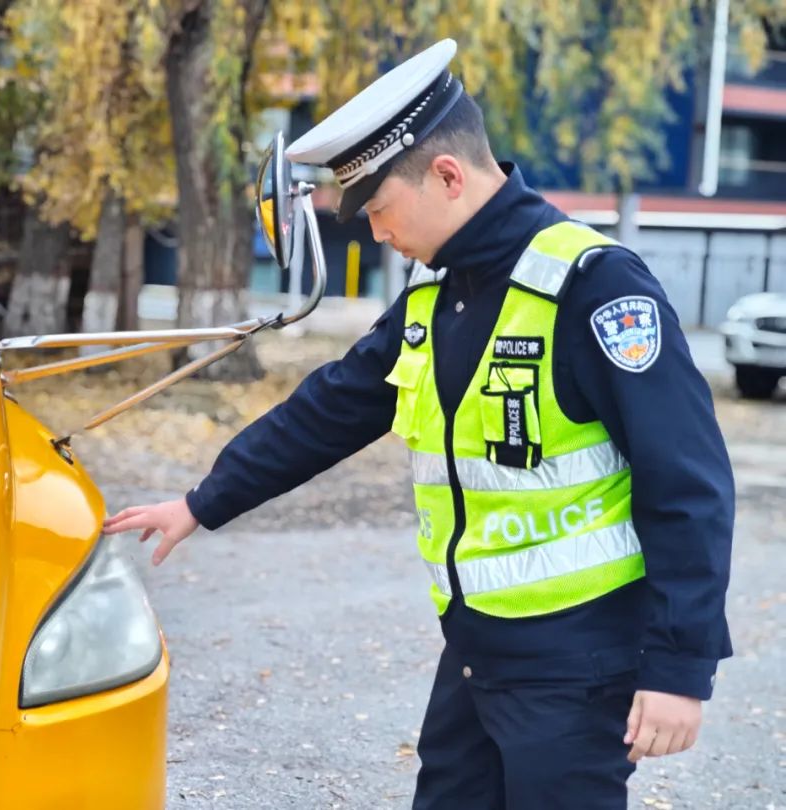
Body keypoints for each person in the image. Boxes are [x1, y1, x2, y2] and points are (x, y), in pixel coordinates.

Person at [104, 38, 733, 809]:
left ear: (446, 174)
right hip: (475, 651)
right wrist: (203, 501)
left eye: (377, 208)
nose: (373, 233)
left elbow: (688, 483)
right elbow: (332, 408)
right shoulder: (437, 300)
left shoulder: (595, 287)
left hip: (580, 664)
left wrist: (678, 670)